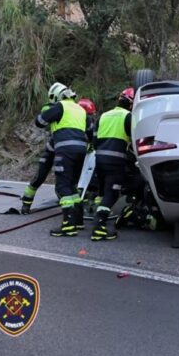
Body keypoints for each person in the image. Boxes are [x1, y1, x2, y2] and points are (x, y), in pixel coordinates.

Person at [35, 82, 88, 237]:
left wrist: (47, 109)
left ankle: (68, 224)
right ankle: (78, 221)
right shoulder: (80, 109)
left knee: (62, 186)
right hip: (81, 150)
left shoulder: (60, 107)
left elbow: (39, 122)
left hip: (65, 150)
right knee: (73, 185)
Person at [91, 87, 134, 241]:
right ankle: (98, 227)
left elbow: (94, 140)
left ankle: (98, 221)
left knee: (104, 192)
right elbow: (134, 140)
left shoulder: (104, 115)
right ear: (131, 104)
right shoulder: (128, 116)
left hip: (100, 160)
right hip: (116, 161)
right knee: (112, 193)